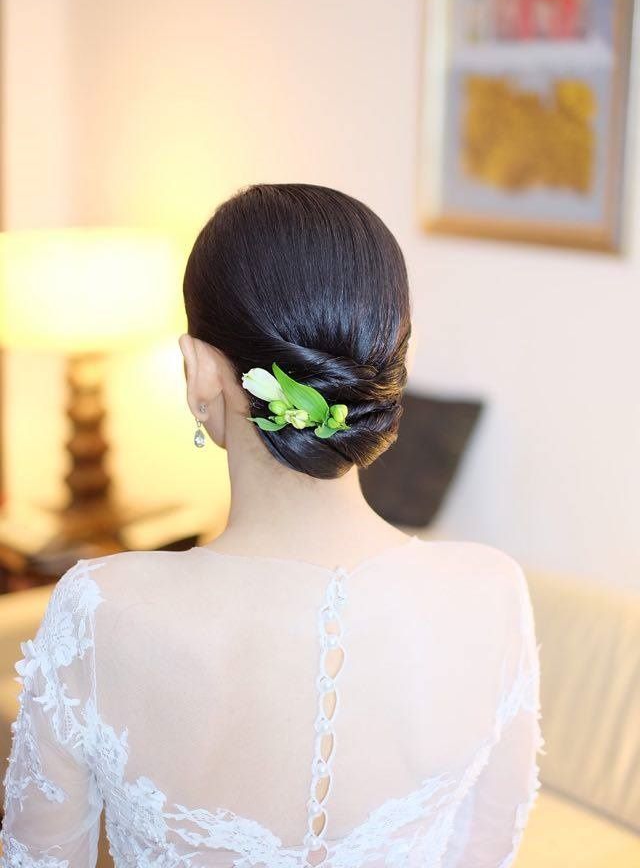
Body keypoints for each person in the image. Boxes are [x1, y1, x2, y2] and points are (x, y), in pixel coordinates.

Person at [0, 184, 542, 868]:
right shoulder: (491, 593)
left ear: (198, 372)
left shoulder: (99, 609)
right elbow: (483, 852)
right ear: (390, 364)